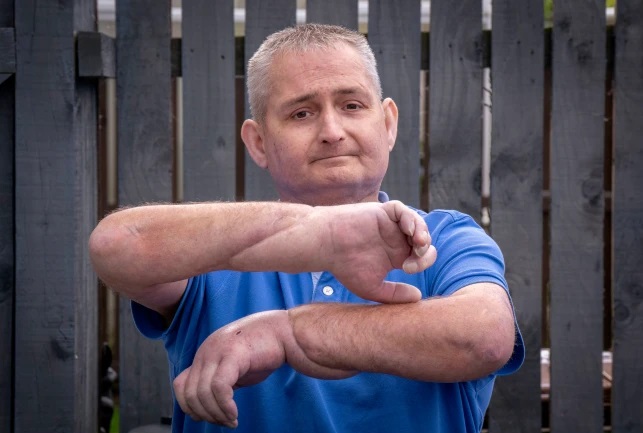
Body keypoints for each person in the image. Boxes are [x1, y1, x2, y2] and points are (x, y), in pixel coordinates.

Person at [89, 23, 524, 433]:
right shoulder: (212, 252)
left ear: (388, 123)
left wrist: (289, 333)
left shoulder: (445, 238)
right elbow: (116, 244)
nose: (332, 131)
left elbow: (485, 337)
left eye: (352, 105)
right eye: (301, 113)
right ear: (259, 142)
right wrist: (321, 233)